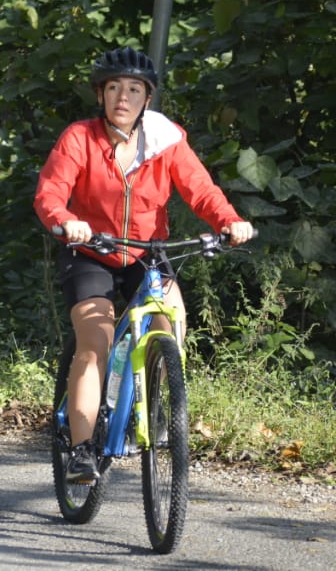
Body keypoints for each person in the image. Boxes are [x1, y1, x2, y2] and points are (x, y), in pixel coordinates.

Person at [34, 46, 253, 484]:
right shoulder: (80, 137)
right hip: (91, 251)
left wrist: (229, 221)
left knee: (171, 319)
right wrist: (65, 221)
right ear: (101, 94)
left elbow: (200, 190)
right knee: (94, 341)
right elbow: (50, 193)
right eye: (114, 87)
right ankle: (80, 450)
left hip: (146, 252)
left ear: (147, 99)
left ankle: (155, 401)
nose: (123, 96)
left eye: (134, 89)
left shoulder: (166, 140)